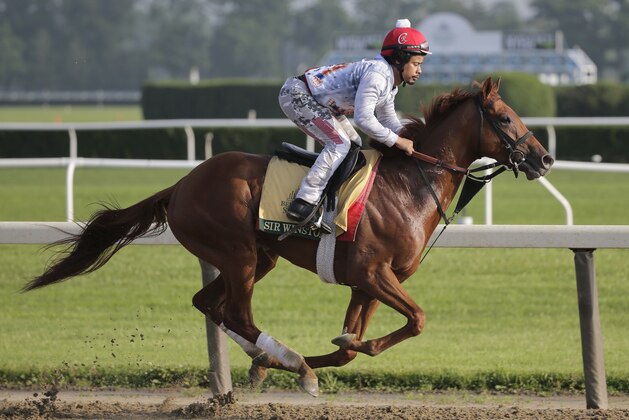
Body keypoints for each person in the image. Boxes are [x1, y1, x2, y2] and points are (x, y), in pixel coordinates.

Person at [279, 18, 431, 224]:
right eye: (415, 64)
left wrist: (411, 135)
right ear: (399, 59)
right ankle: (304, 201)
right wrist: (397, 141)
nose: (419, 70)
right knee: (339, 144)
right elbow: (364, 119)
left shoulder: (390, 82)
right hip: (298, 94)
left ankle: (331, 198)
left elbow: (387, 118)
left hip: (321, 102)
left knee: (353, 145)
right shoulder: (377, 76)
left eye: (420, 64)